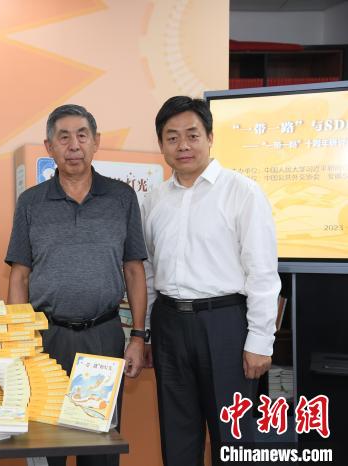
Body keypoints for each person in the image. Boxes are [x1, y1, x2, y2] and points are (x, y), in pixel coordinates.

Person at [5, 104, 148, 466]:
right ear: (49, 146)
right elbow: (19, 276)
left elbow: (134, 270)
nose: (74, 145)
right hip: (46, 340)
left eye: (82, 135)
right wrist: (20, 344)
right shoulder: (31, 202)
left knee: (98, 450)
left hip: (103, 338)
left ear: (95, 141)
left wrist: (137, 337)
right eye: (63, 137)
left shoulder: (121, 198)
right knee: (45, 446)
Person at [142, 96, 281, 466]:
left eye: (192, 135)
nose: (183, 145)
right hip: (169, 324)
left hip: (225, 325)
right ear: (161, 145)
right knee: (177, 436)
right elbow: (149, 272)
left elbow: (263, 273)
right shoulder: (153, 200)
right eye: (172, 137)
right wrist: (149, 332)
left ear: (210, 137)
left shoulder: (242, 192)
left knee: (232, 439)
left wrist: (260, 340)